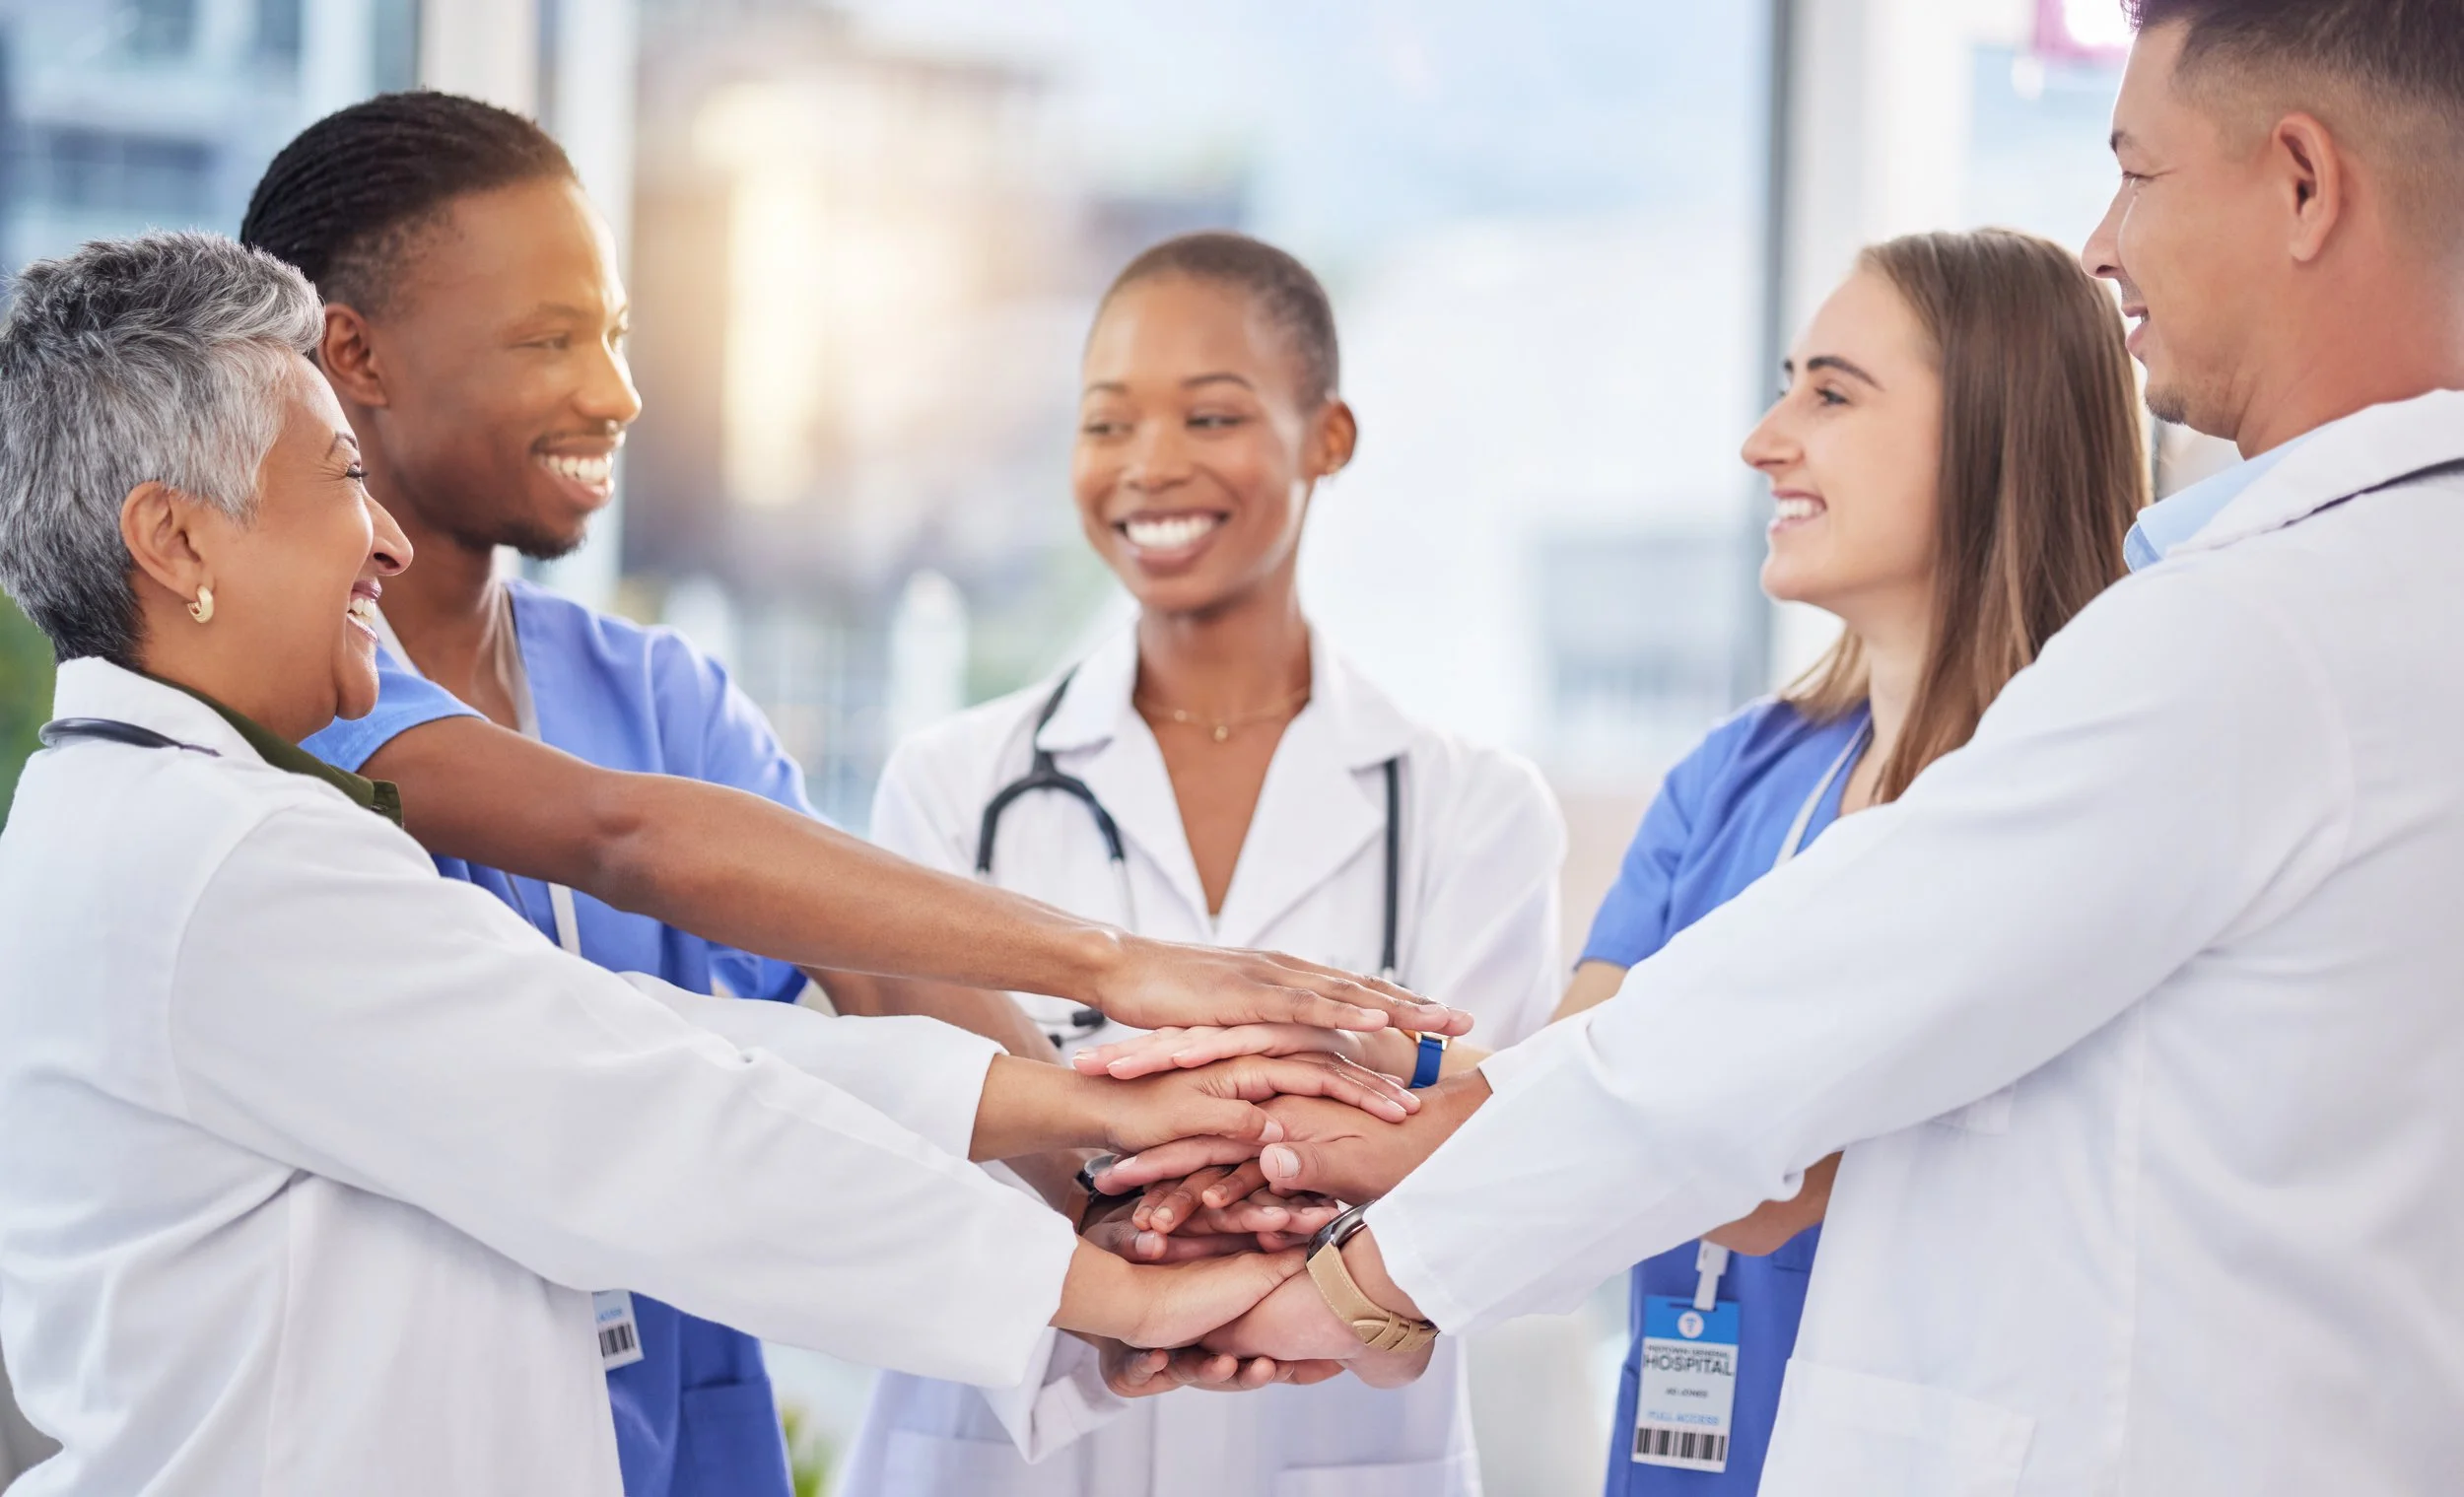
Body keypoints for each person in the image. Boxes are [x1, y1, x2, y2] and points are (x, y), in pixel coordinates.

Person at [1109, 2, 2464, 1490]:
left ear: (2302, 184)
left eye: (2138, 173)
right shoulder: (2361, 604)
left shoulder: (2250, 640)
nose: (2102, 241)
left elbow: (1767, 1042)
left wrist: (1364, 1260)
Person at [0, 232, 1429, 1497]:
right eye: (341, 476)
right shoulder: (225, 858)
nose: (382, 537)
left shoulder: (175, 821)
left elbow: (647, 1039)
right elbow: (648, 1119)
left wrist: (1099, 1102)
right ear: (173, 536)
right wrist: (1112, 1289)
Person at [1087, 225, 2143, 1492]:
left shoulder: (2060, 803)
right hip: (1684, 1447)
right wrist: (1344, 1074)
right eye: (1783, 382)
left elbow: (1747, 1165)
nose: (1765, 438)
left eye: (1830, 392)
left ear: (1993, 426)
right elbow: (1570, 1076)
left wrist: (1316, 1183)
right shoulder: (1734, 777)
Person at [840, 233, 1565, 1497]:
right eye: (1106, 422)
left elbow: (1494, 1165)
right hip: (1005, 1444)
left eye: (1211, 414)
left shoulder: (1471, 807)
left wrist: (1238, 1209)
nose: (1149, 465)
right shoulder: (953, 783)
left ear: (1326, 436)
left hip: (1333, 1441)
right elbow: (898, 1130)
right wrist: (1151, 1229)